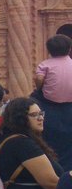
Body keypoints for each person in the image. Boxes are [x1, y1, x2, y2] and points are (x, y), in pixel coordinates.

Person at [35, 34, 72, 169]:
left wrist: (40, 87)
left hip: (48, 105)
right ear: (69, 49)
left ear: (49, 50)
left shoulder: (45, 64)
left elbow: (39, 79)